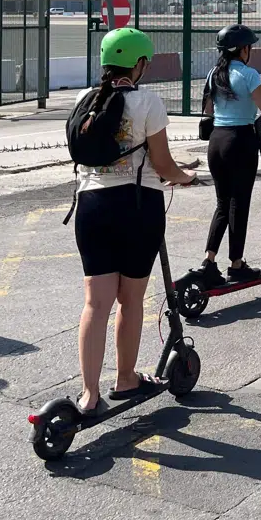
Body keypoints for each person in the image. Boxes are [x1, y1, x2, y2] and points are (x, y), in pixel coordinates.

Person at [71, 28, 197, 414]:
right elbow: (161, 164)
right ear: (139, 64)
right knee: (131, 299)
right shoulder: (148, 102)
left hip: (90, 205)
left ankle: (89, 394)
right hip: (137, 206)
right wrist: (185, 176)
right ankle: (125, 378)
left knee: (95, 303)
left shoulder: (85, 98)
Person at [197, 24, 261, 285]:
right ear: (243, 49)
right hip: (240, 141)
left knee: (222, 204)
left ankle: (209, 260)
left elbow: (208, 110)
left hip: (216, 142)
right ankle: (236, 264)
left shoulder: (213, 73)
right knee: (239, 204)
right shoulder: (249, 74)